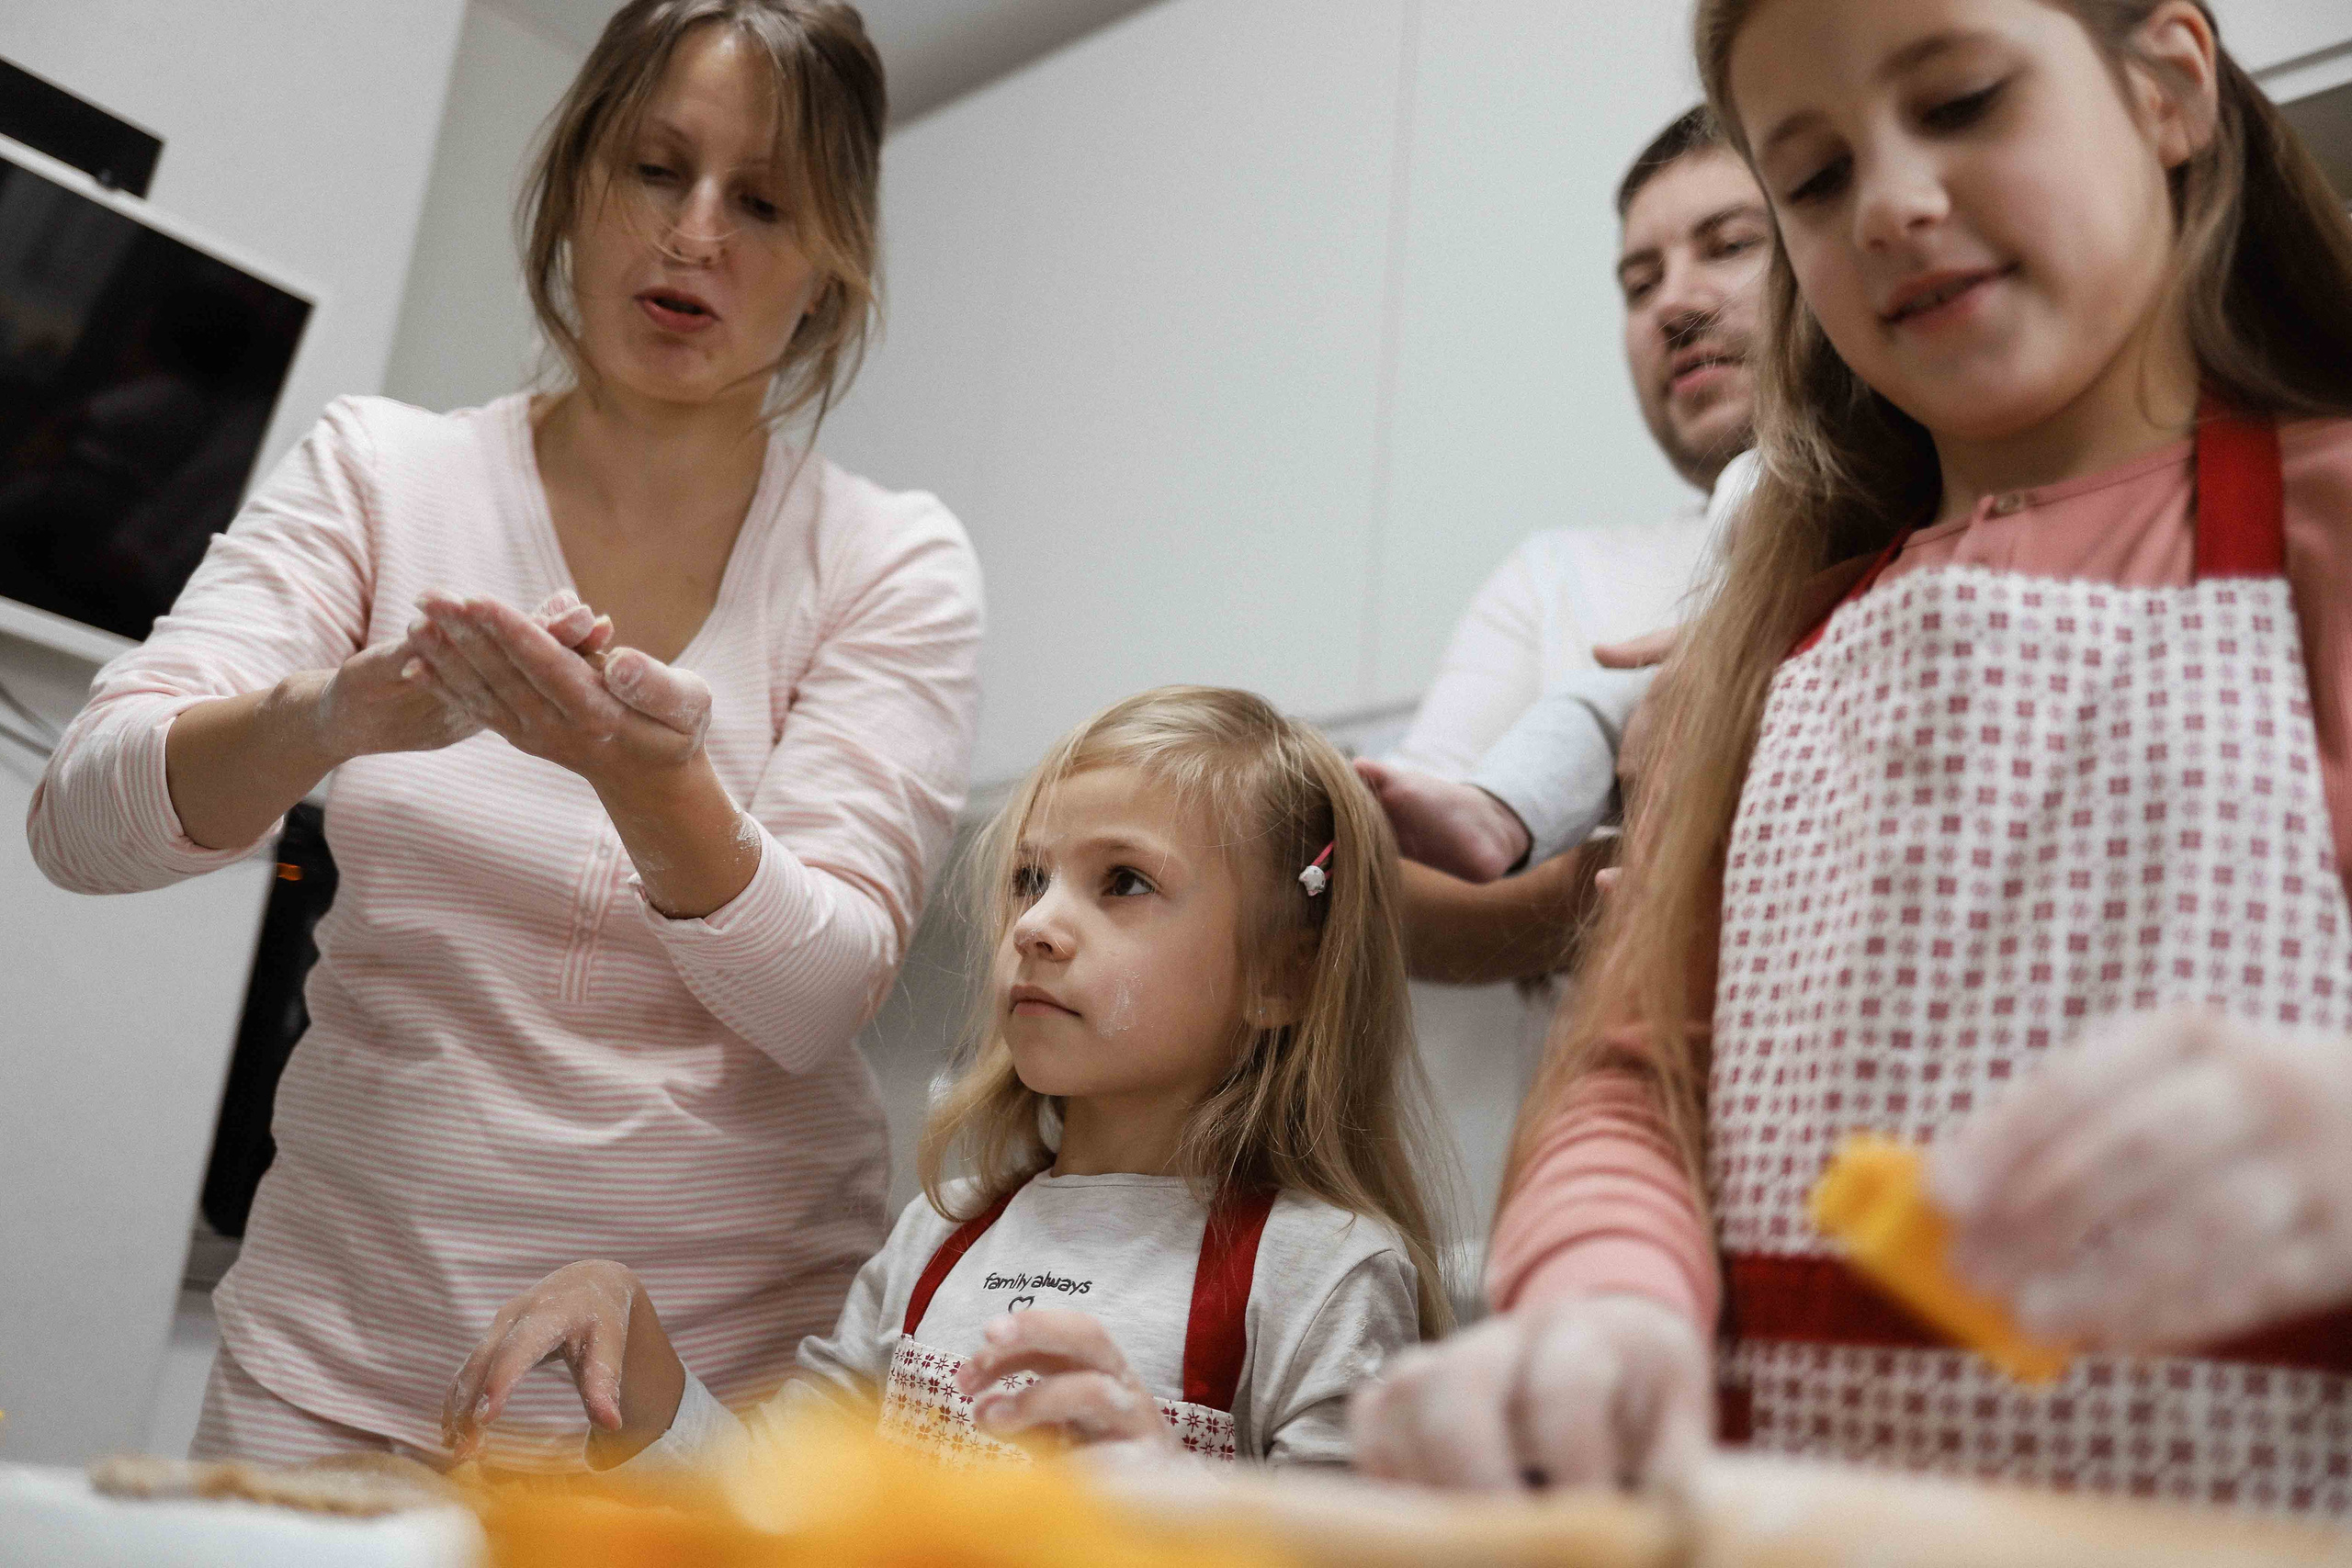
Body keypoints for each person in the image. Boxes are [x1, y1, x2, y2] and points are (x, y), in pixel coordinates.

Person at [1353, 0, 2352, 1512]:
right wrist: (1602, 1295)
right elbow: (1632, 1083)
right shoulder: (1755, 652)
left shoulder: (2326, 528)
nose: (1891, 202)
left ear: (2169, 89)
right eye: (1813, 180)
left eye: (1958, 100)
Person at [28, 0, 983, 1468]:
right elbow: (82, 819)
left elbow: (818, 993)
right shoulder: (379, 471)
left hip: (694, 1414)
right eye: (656, 169)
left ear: (828, 268)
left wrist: (653, 783)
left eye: (766, 199)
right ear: (576, 181)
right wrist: (337, 710)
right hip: (330, 1376)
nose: (696, 233)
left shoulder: (888, 561)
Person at [441, 687, 1451, 1469]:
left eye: (1124, 883)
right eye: (1029, 877)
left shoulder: (1320, 1274)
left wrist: (1170, 1503)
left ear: (1280, 975)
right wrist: (632, 1339)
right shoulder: (940, 1236)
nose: (1037, 925)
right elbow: (783, 1513)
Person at [1358, 107, 1770, 981]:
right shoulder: (1560, 575)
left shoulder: (1954, 503)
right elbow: (1391, 876)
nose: (1674, 305)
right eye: (1638, 282)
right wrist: (1655, 857)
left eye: (1730, 244)